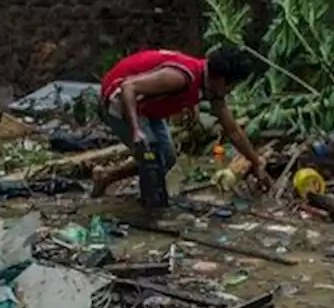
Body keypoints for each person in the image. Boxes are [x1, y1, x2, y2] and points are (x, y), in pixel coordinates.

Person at [91, 47, 271, 197]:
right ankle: (150, 206)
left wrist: (255, 162)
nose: (231, 91)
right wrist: (136, 130)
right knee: (151, 154)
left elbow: (233, 130)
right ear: (222, 80)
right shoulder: (180, 77)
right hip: (119, 101)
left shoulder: (209, 84)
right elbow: (128, 87)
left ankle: (106, 176)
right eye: (232, 86)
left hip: (145, 106)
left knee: (167, 158)